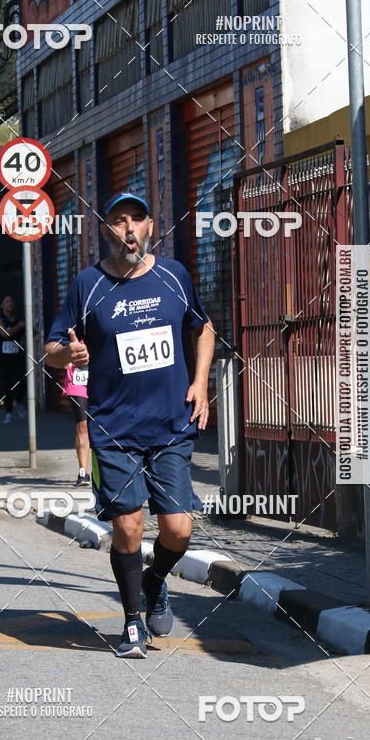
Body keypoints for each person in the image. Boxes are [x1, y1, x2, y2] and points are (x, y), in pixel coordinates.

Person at [44, 192, 215, 658]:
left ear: (151, 226)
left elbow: (203, 328)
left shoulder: (173, 276)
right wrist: (70, 355)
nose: (128, 229)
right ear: (106, 231)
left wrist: (200, 383)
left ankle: (157, 580)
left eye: (136, 221)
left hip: (171, 424)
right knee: (130, 525)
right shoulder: (89, 284)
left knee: (178, 529)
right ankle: (132, 622)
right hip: (114, 426)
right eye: (118, 222)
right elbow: (51, 347)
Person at [0, 295, 27, 425]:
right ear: (2, 305)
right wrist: (19, 326)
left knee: (22, 378)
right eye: (7, 301)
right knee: (6, 383)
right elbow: (4, 334)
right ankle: (8, 412)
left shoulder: (19, 319)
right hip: (2, 355)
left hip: (17, 354)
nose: (10, 303)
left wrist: (24, 338)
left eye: (12, 301)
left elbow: (32, 332)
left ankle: (18, 401)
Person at [62, 362, 90, 486]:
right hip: (77, 381)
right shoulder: (69, 340)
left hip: (101, 379)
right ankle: (83, 472)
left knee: (101, 426)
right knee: (82, 425)